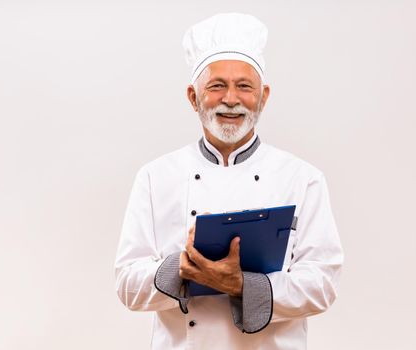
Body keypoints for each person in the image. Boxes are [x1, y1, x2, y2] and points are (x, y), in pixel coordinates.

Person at [114, 12, 343, 350]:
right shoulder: (154, 177)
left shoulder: (303, 178)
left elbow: (322, 284)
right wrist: (182, 269)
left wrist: (242, 285)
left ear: (264, 96)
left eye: (244, 86)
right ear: (194, 97)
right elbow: (127, 284)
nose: (231, 99)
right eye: (217, 86)